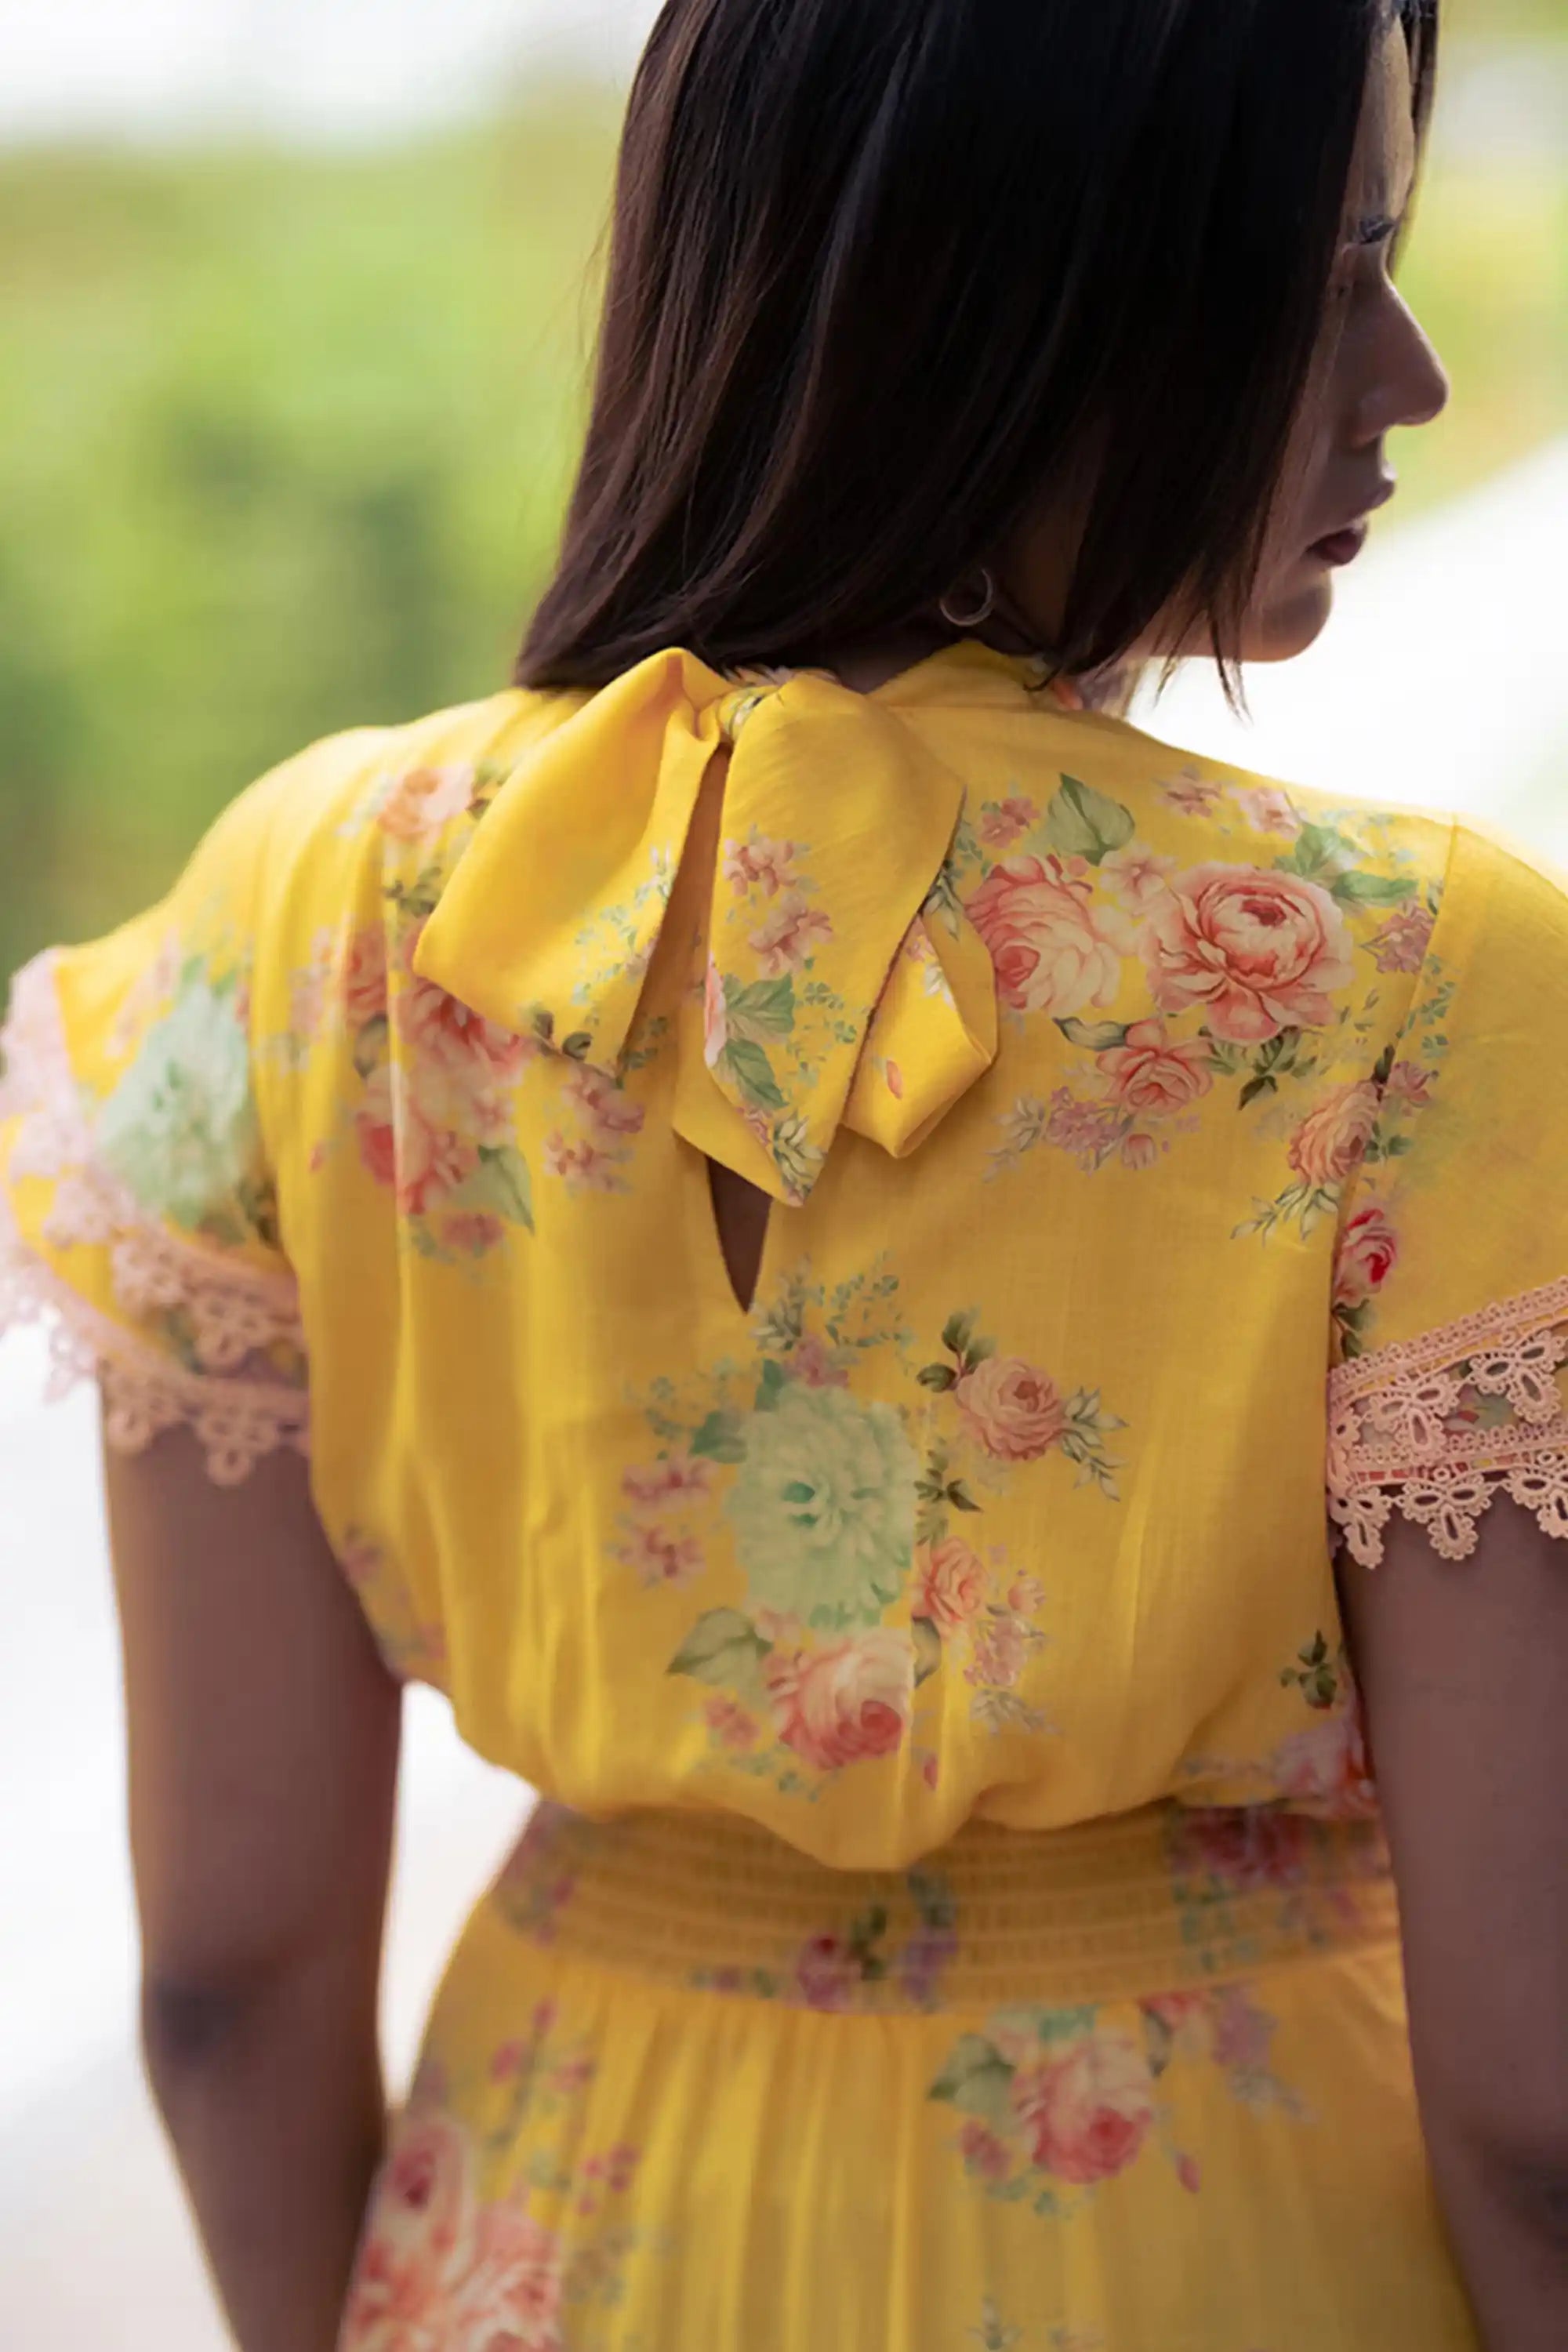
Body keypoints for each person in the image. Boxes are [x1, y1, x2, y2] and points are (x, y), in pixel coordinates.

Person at [2, 1, 1564, 2345]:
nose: (1413, 372)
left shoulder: (304, 906)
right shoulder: (1417, 980)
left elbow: (225, 1979)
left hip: (546, 2233)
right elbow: (1541, 2108)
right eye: (1327, 265)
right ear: (1030, 293)